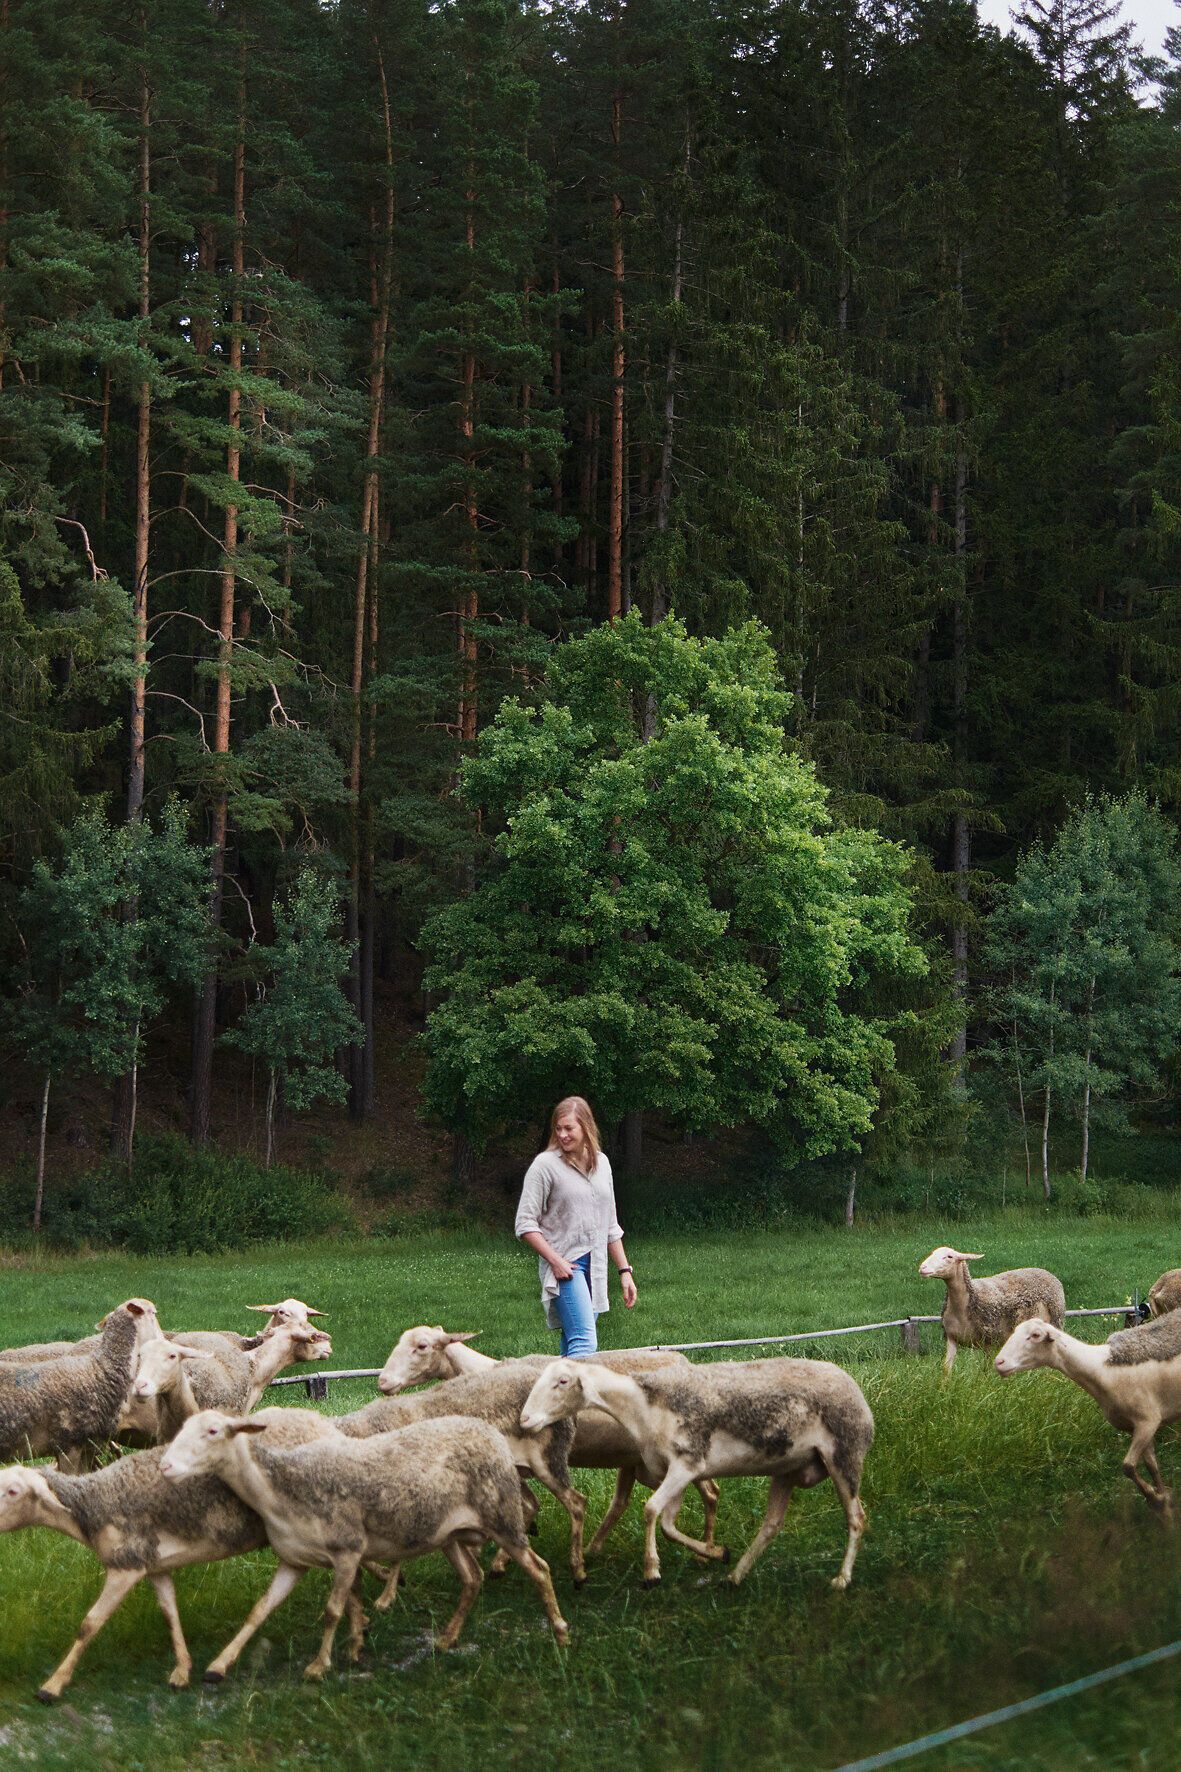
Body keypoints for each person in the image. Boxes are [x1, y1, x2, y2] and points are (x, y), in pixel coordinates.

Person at [515, 1096, 637, 1357]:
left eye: (569, 1128)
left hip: (596, 1265)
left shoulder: (602, 1164)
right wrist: (555, 1261)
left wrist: (624, 1271)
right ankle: (581, 1396)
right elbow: (524, 1223)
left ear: (586, 1128)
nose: (563, 1135)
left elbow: (610, 1225)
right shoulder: (545, 1166)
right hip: (567, 1266)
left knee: (573, 1341)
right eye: (558, 1128)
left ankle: (556, 1396)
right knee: (584, 1343)